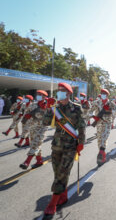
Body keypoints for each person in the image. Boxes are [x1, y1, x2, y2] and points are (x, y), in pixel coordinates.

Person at [42, 83, 85, 217]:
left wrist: (81, 143)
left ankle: (52, 204)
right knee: (58, 173)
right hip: (56, 145)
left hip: (70, 147)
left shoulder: (76, 108)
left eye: (62, 91)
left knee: (62, 173)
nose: (58, 93)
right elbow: (45, 122)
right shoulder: (55, 107)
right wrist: (48, 108)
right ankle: (63, 195)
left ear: (68, 93)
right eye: (58, 90)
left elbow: (82, 127)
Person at [19, 90, 49, 169]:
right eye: (38, 94)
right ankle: (39, 161)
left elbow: (50, 117)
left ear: (44, 97)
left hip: (42, 128)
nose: (38, 96)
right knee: (35, 145)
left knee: (35, 144)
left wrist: (45, 109)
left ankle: (27, 161)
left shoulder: (48, 105)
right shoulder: (33, 105)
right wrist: (26, 117)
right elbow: (27, 113)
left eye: (40, 95)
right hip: (33, 127)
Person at [91, 89, 116, 165]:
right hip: (98, 123)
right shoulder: (96, 102)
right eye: (102, 93)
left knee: (104, 138)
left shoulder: (111, 104)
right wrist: (93, 116)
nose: (103, 95)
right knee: (99, 139)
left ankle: (101, 154)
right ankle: (102, 154)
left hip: (107, 123)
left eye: (104, 94)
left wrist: (111, 110)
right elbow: (89, 110)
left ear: (107, 95)